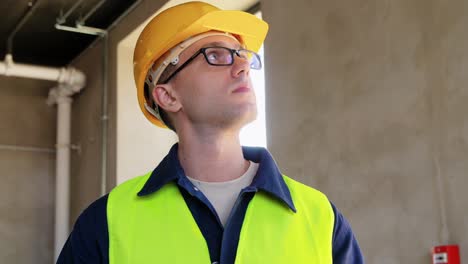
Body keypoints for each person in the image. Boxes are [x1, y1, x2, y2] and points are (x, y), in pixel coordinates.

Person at [57, 1, 364, 263]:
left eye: (243, 55)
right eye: (216, 55)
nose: (242, 67)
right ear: (167, 96)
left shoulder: (321, 218)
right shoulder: (105, 225)